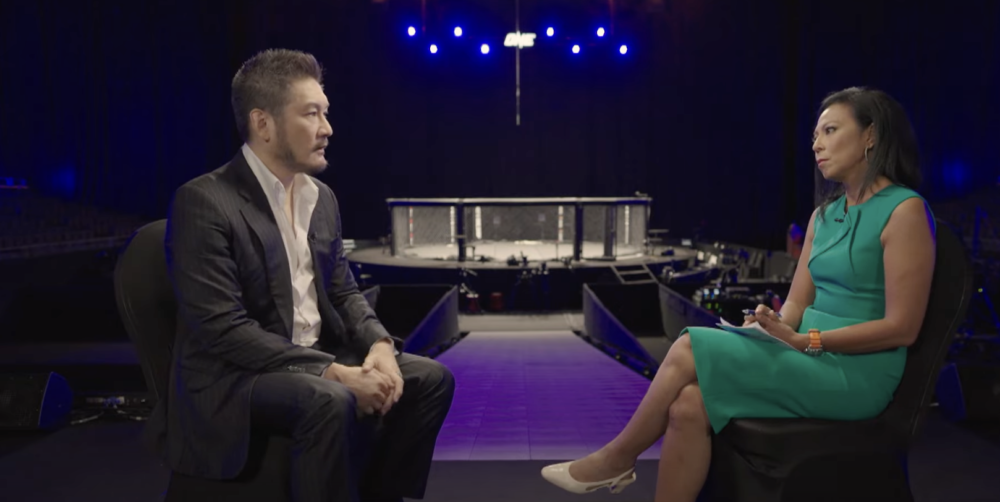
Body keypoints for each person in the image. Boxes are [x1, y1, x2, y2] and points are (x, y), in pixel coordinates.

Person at [540, 86, 936, 501]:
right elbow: (797, 302)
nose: (816, 145)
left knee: (689, 345)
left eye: (830, 131)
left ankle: (617, 458)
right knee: (688, 404)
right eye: (815, 136)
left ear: (870, 135)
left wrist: (807, 340)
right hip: (807, 354)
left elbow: (902, 328)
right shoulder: (823, 216)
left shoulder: (905, 210)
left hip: (856, 375)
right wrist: (771, 325)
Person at [151, 48, 455, 502]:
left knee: (430, 380)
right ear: (263, 124)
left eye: (325, 113)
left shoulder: (321, 197)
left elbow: (343, 291)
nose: (327, 128)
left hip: (315, 356)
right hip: (236, 376)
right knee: (329, 400)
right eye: (311, 114)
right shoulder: (204, 201)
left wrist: (380, 346)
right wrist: (333, 373)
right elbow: (223, 330)